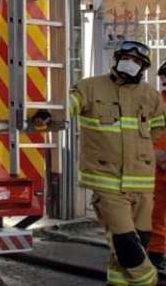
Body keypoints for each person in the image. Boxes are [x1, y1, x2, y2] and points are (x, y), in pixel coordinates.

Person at [70, 41, 166, 286]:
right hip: (107, 182)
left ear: (143, 67)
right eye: (125, 58)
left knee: (139, 241)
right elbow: (68, 106)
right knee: (126, 244)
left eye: (135, 61)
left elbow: (156, 131)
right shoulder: (89, 87)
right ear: (116, 59)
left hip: (142, 184)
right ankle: (149, 281)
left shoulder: (151, 96)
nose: (129, 63)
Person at [148, 62, 166, 275]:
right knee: (156, 217)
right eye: (163, 82)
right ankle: (156, 255)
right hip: (158, 172)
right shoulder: (156, 105)